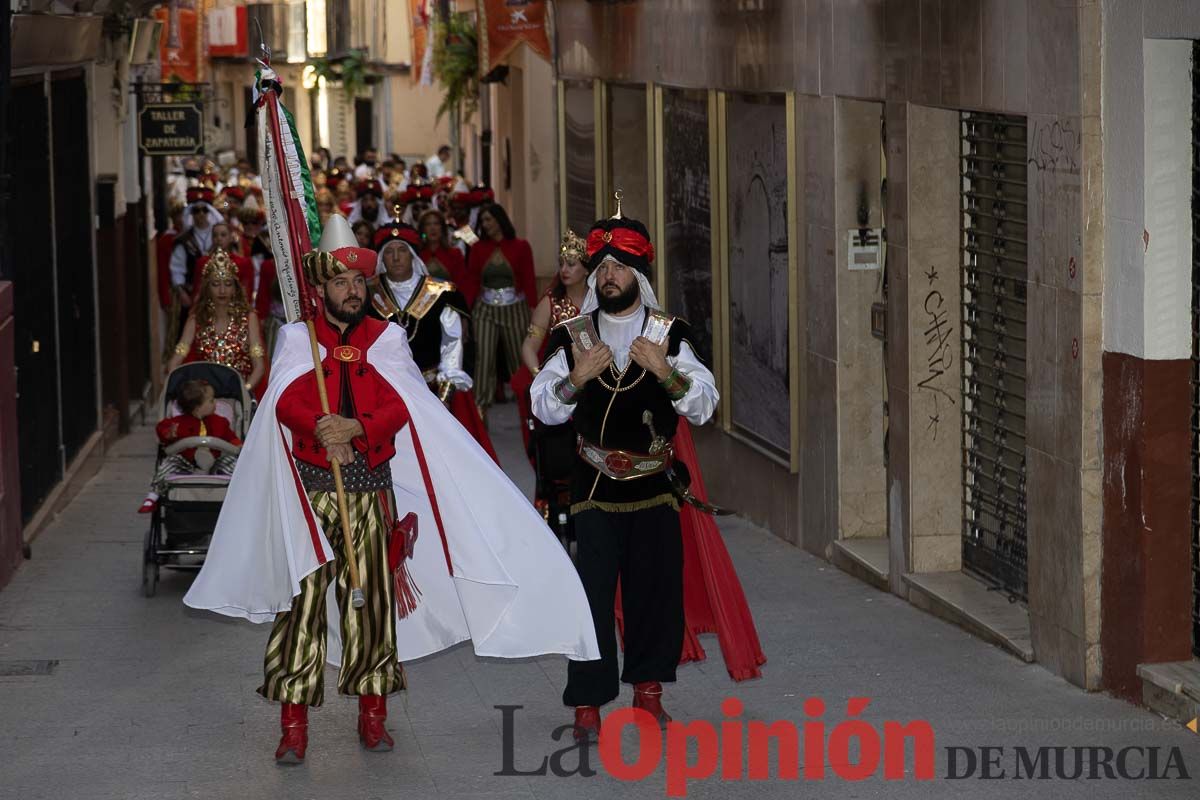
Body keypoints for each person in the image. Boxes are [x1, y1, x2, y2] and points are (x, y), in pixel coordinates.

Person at [182, 214, 599, 764]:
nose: (353, 291)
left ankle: (373, 715)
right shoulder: (296, 337)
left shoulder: (388, 338)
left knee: (372, 605)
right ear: (322, 289)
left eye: (359, 281)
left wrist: (356, 428)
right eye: (341, 283)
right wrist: (321, 427)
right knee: (302, 608)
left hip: (372, 491)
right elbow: (283, 399)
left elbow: (403, 404)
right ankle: (293, 726)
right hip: (309, 494)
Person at [530, 211, 720, 742]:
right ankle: (588, 702)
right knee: (590, 595)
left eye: (620, 266)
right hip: (592, 485)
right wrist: (575, 378)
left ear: (639, 273)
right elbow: (543, 407)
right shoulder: (573, 335)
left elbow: (705, 405)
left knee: (654, 592)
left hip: (654, 486)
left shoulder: (669, 333)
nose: (609, 275)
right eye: (603, 268)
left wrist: (666, 371)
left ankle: (649, 694)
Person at [368, 221, 497, 462]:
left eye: (402, 250)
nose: (396, 258)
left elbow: (452, 345)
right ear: (381, 258)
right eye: (389, 252)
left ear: (413, 255)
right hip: (382, 391)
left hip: (432, 387)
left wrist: (444, 397)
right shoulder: (368, 293)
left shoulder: (442, 293)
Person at [511, 230, 589, 458]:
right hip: (560, 384)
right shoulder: (550, 304)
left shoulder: (599, 302)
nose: (564, 269)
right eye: (562, 264)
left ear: (587, 269)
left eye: (571, 264)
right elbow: (529, 346)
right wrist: (541, 376)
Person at [467, 203, 538, 415]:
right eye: (483, 221)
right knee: (483, 358)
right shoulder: (477, 248)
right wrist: (465, 312)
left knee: (519, 358)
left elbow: (528, 279)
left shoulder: (521, 246)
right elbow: (472, 281)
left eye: (489, 219)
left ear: (500, 219)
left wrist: (534, 311)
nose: (485, 224)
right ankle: (480, 412)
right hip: (485, 308)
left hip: (515, 308)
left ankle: (529, 408)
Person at [167, 249, 266, 396]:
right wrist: (185, 389)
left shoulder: (249, 318)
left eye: (228, 284)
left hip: (239, 395)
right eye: (215, 284)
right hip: (204, 397)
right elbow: (178, 355)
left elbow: (259, 365)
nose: (222, 290)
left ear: (235, 288)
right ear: (207, 288)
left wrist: (245, 390)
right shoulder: (196, 318)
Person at [137, 379, 241, 514]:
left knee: (231, 462)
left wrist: (238, 445)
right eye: (211, 400)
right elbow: (162, 429)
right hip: (186, 463)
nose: (215, 403)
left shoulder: (221, 422)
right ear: (197, 407)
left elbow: (230, 437)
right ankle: (153, 495)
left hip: (214, 462)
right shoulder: (177, 423)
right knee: (169, 463)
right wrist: (170, 433)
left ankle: (239, 492)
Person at [168, 186, 222, 312]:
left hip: (219, 294)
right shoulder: (183, 240)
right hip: (191, 296)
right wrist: (182, 293)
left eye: (204, 210)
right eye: (196, 211)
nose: (201, 214)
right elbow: (177, 269)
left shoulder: (220, 235)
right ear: (191, 213)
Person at [417, 208, 475, 305]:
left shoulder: (454, 254)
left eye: (436, 224)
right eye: (428, 224)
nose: (432, 228)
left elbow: (464, 285)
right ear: (423, 229)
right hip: (421, 307)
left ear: (442, 228)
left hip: (449, 306)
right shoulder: (416, 255)